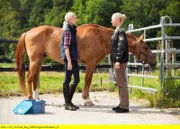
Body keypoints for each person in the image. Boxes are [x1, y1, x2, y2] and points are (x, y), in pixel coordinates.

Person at [110, 13, 129, 113]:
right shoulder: (118, 30)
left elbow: (121, 46)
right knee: (120, 83)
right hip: (119, 61)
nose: (111, 21)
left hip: (120, 62)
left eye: (112, 19)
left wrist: (117, 60)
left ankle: (124, 106)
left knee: (122, 84)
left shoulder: (120, 31)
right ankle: (122, 104)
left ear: (117, 19)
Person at [60, 12, 80, 111]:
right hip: (69, 59)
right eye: (74, 18)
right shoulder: (68, 31)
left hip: (73, 58)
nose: (76, 19)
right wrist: (69, 62)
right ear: (69, 19)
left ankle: (69, 101)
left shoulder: (72, 30)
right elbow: (66, 47)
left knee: (77, 79)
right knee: (67, 80)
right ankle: (67, 103)